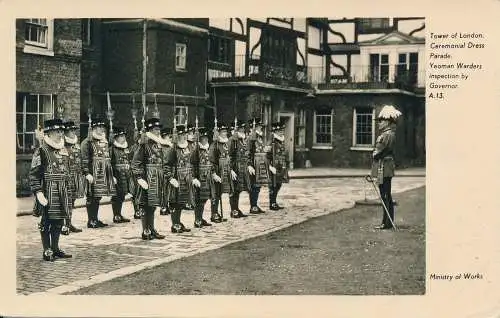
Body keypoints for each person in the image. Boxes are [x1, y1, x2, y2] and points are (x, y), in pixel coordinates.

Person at [30, 118, 73, 261]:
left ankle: (55, 248)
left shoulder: (63, 149)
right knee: (47, 220)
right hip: (48, 189)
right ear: (49, 132)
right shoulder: (41, 150)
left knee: (59, 220)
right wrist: (38, 192)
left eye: (61, 131)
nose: (60, 134)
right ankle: (47, 249)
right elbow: (34, 173)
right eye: (57, 131)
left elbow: (67, 169)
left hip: (63, 189)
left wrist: (69, 187)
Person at [131, 117, 166, 240]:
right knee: (144, 204)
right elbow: (136, 162)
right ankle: (145, 230)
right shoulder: (143, 144)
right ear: (149, 130)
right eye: (155, 129)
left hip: (157, 178)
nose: (158, 132)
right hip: (146, 178)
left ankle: (152, 229)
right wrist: (139, 178)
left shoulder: (158, 144)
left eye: (158, 129)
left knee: (152, 205)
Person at [81, 116, 117, 228]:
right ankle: (91, 220)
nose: (102, 129)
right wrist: (87, 173)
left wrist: (111, 176)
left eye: (103, 127)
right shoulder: (87, 142)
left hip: (103, 173)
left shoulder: (104, 141)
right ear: (93, 128)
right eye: (99, 127)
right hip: (92, 173)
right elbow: (84, 159)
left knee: (97, 197)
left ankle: (95, 219)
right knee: (91, 196)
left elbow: (108, 158)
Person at [371, 105, 401, 230]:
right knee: (384, 194)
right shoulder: (386, 133)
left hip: (385, 166)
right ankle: (386, 221)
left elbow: (386, 150)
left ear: (388, 121)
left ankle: (387, 222)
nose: (379, 123)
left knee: (385, 194)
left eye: (381, 121)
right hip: (382, 166)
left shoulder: (388, 134)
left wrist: (376, 155)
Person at [164, 124, 196, 233]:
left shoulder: (190, 146)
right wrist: (170, 178)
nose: (183, 136)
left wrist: (194, 177)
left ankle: (178, 221)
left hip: (187, 177)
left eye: (185, 134)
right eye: (181, 134)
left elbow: (193, 162)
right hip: (176, 178)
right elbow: (166, 164)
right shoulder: (173, 149)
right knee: (174, 201)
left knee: (182, 201)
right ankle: (175, 224)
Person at [62, 120, 84, 233]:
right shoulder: (62, 145)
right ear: (65, 132)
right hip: (66, 176)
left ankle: (68, 223)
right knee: (65, 200)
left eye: (74, 130)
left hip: (76, 176)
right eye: (71, 130)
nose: (73, 132)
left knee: (72, 200)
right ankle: (63, 224)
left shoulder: (76, 145)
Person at [109, 126, 133, 223]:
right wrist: (112, 176)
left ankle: (119, 213)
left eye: (124, 136)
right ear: (116, 138)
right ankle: (116, 215)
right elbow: (109, 163)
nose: (124, 138)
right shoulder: (112, 149)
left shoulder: (125, 148)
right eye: (121, 136)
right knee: (117, 195)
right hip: (117, 174)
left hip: (125, 174)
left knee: (122, 194)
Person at [208, 123, 231, 223]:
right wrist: (214, 173)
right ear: (218, 133)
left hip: (224, 171)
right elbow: (211, 160)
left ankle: (217, 213)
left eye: (225, 132)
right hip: (216, 171)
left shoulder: (225, 144)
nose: (225, 134)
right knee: (215, 193)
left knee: (220, 193)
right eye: (222, 132)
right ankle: (214, 214)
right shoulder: (215, 145)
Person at [190, 127, 213, 228]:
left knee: (204, 198)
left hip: (207, 176)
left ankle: (201, 217)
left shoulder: (207, 149)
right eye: (203, 138)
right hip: (199, 177)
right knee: (198, 199)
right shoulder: (196, 150)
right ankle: (197, 219)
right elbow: (192, 164)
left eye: (206, 138)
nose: (206, 139)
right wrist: (194, 177)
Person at [246, 118, 268, 214]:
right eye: (258, 127)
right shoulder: (250, 138)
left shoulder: (259, 138)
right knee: (254, 185)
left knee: (258, 186)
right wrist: (249, 164)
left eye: (261, 127)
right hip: (254, 164)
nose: (260, 129)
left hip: (260, 163)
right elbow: (248, 152)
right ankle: (253, 206)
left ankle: (255, 204)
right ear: (253, 128)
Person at [228, 119, 248, 218]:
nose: (243, 130)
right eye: (241, 128)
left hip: (241, 167)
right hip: (234, 167)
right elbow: (229, 156)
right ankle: (233, 210)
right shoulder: (232, 140)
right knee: (233, 189)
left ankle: (236, 207)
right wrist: (230, 169)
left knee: (238, 189)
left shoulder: (241, 140)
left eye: (243, 128)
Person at [267, 121, 290, 210]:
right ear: (275, 131)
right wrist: (269, 166)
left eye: (282, 130)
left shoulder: (281, 141)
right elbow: (266, 155)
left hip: (281, 166)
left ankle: (274, 201)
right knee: (273, 185)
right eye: (280, 131)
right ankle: (272, 203)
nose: (282, 132)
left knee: (279, 184)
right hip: (274, 167)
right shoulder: (271, 142)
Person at [129, 130, 144, 220]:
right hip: (135, 173)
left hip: (143, 173)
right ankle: (136, 211)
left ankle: (141, 210)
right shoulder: (133, 148)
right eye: (140, 138)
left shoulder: (145, 147)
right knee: (135, 192)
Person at [159, 127, 173, 216]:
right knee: (163, 189)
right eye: (169, 137)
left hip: (170, 169)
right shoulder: (161, 147)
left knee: (169, 189)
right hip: (163, 170)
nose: (171, 138)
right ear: (164, 137)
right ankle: (163, 206)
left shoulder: (170, 147)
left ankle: (168, 205)